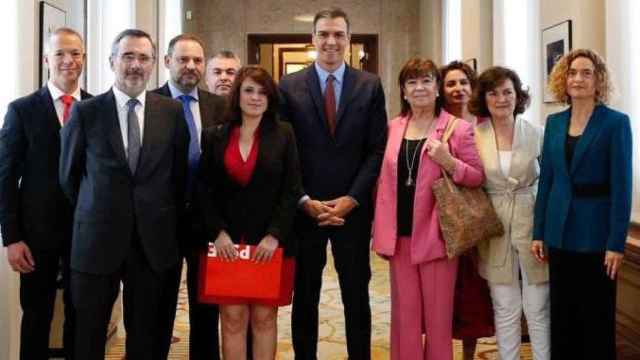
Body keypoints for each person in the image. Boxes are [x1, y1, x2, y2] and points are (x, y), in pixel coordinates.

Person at [59, 29, 190, 360]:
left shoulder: (171, 112)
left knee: (146, 335)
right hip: (96, 241)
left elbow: (178, 177)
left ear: (154, 65)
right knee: (88, 335)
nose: (135, 65)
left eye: (143, 58)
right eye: (128, 56)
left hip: (152, 244)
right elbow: (69, 177)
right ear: (111, 61)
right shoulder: (86, 112)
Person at [278, 7, 387, 359]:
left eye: (338, 34)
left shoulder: (369, 86)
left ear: (348, 40)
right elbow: (284, 151)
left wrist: (353, 198)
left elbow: (377, 149)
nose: (331, 41)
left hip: (352, 211)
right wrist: (304, 199)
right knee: (305, 296)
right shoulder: (289, 86)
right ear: (312, 39)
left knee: (356, 296)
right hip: (305, 210)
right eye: (323, 34)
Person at [372, 57, 484, 360]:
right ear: (404, 91)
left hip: (438, 236)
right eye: (412, 82)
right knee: (404, 318)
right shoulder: (393, 127)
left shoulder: (457, 129)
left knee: (437, 320)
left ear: (437, 89)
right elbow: (383, 181)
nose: (419, 88)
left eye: (426, 81)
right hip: (400, 237)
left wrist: (449, 161)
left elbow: (477, 177)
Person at [532, 48, 632, 360]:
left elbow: (622, 186)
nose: (578, 78)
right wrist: (539, 232)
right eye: (573, 72)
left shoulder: (616, 123)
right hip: (559, 232)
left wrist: (616, 242)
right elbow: (546, 180)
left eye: (586, 73)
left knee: (596, 318)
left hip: (598, 236)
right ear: (564, 78)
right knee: (563, 316)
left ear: (598, 80)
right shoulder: (554, 122)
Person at [198, 65, 301, 360]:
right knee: (231, 319)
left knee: (264, 319)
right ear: (237, 95)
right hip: (227, 244)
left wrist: (274, 235)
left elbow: (291, 189)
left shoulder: (284, 134)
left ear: (271, 99)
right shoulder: (215, 136)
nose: (256, 97)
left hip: (268, 245)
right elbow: (204, 190)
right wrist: (217, 232)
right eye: (249, 90)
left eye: (262, 92)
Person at [0, 27, 91, 360]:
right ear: (46, 59)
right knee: (37, 318)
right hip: (35, 237)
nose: (69, 61)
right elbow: (5, 177)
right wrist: (11, 238)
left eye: (76, 53)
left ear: (84, 57)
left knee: (81, 317)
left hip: (86, 233)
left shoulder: (96, 108)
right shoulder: (21, 110)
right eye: (60, 54)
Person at [151, 33, 226, 360]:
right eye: (183, 59)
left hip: (206, 222)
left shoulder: (220, 107)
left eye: (197, 60)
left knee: (206, 308)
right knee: (157, 308)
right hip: (160, 222)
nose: (191, 66)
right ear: (167, 62)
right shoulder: (148, 103)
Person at [468, 66, 550, 360]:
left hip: (532, 225)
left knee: (538, 307)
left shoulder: (538, 133)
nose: (501, 99)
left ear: (518, 96)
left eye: (507, 92)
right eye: (493, 92)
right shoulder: (474, 135)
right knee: (505, 306)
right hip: (494, 227)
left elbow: (551, 181)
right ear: (484, 98)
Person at [439, 60, 494, 360]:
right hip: (444, 221)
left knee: (473, 297)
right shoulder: (436, 124)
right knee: (445, 297)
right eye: (450, 84)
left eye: (463, 83)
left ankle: (469, 355)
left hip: (480, 220)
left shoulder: (485, 125)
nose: (458, 89)